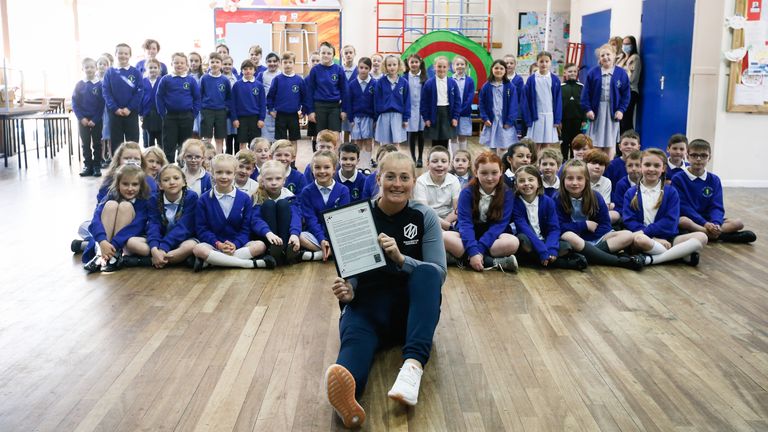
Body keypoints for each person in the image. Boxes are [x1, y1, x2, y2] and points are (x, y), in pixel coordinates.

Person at [324, 152, 446, 429]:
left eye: (404, 178)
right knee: (353, 350)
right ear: (378, 179)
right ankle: (347, 401)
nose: (397, 184)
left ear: (413, 182)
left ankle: (412, 367)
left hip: (412, 312)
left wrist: (402, 259)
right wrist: (349, 289)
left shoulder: (424, 216)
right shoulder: (358, 215)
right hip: (368, 308)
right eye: (390, 176)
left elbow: (438, 273)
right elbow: (352, 270)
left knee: (426, 272)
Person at [623, 148, 707, 266]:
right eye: (647, 165)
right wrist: (653, 238)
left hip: (669, 239)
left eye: (657, 165)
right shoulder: (630, 193)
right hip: (645, 238)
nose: (651, 169)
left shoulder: (671, 192)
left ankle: (652, 259)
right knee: (639, 240)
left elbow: (670, 221)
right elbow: (629, 221)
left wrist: (656, 237)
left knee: (702, 237)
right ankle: (678, 254)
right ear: (641, 167)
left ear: (663, 168)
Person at [192, 154, 276, 271]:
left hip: (238, 245)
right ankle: (248, 264)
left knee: (260, 246)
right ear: (212, 173)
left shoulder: (245, 198)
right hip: (214, 245)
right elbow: (202, 229)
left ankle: (213, 262)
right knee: (198, 249)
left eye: (228, 173)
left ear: (235, 173)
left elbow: (245, 229)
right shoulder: (203, 200)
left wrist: (235, 244)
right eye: (219, 172)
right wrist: (218, 244)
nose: (224, 176)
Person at [557, 160, 644, 269]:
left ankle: (588, 255)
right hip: (574, 239)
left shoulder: (595, 197)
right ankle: (618, 261)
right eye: (570, 178)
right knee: (568, 236)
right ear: (563, 180)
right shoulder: (557, 199)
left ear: (586, 180)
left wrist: (588, 241)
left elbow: (605, 225)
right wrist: (585, 225)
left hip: (596, 237)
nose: (575, 183)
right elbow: (558, 227)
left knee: (628, 235)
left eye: (579, 178)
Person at [443, 151, 519, 271]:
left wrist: (479, 250)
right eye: (484, 173)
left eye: (494, 173)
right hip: (468, 233)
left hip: (493, 235)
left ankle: (461, 259)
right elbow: (465, 223)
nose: (489, 178)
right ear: (476, 172)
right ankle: (492, 262)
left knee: (513, 242)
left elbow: (500, 225)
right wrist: (474, 252)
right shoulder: (467, 192)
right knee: (443, 236)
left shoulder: (507, 193)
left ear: (501, 171)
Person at [671, 139, 757, 243]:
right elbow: (683, 207)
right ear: (687, 157)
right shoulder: (678, 178)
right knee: (682, 221)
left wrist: (715, 223)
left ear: (709, 158)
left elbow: (717, 206)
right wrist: (704, 223)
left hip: (709, 221)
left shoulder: (714, 179)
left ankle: (708, 234)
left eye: (703, 156)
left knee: (738, 223)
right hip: (692, 219)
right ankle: (722, 236)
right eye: (694, 155)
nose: (698, 159)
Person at [512, 165, 588, 270]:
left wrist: (550, 248)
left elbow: (554, 228)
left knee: (566, 246)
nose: (526, 183)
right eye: (521, 181)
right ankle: (566, 263)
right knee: (522, 240)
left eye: (530, 180)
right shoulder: (515, 203)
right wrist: (542, 250)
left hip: (544, 240)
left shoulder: (548, 201)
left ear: (538, 183)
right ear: (516, 185)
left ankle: (541, 259)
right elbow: (524, 229)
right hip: (530, 241)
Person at [124, 164, 199, 268]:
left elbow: (184, 227)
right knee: (131, 242)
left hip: (183, 239)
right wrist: (154, 248)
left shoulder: (191, 197)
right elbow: (153, 225)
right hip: (160, 239)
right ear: (160, 185)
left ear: (183, 182)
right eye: (166, 180)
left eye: (176, 178)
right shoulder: (154, 199)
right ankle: (170, 259)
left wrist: (163, 247)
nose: (172, 182)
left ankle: (147, 261)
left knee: (191, 246)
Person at [82, 164, 152, 273]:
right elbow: (96, 219)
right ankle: (100, 254)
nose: (130, 188)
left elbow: (136, 227)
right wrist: (102, 241)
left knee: (125, 206)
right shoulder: (111, 195)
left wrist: (113, 245)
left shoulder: (144, 201)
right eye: (125, 184)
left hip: (127, 240)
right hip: (106, 242)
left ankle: (114, 254)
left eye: (135, 184)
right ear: (118, 184)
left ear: (141, 186)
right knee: (110, 205)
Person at [299, 150, 351, 261]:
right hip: (316, 234)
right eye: (317, 167)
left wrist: (329, 239)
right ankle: (330, 252)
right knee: (300, 236)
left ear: (334, 169)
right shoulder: (307, 192)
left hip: (337, 234)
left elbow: (341, 220)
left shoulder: (343, 191)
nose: (322, 171)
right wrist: (322, 239)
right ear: (312, 170)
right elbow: (310, 219)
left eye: (326, 167)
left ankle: (320, 253)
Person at [581, 44, 630, 160]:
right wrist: (588, 109)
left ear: (614, 56)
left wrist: (621, 110)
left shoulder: (621, 73)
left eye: (608, 54)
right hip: (596, 112)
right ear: (599, 59)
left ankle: (608, 166)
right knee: (595, 142)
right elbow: (585, 93)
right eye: (602, 55)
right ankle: (595, 164)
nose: (605, 57)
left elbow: (626, 95)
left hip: (612, 112)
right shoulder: (593, 73)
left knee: (610, 142)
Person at [251, 160, 302, 265]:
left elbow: (296, 217)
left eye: (278, 178)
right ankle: (272, 250)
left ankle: (286, 250)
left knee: (283, 204)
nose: (274, 182)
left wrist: (294, 234)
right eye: (269, 179)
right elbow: (255, 220)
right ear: (262, 180)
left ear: (284, 180)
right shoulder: (257, 196)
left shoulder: (289, 196)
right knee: (269, 204)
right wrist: (268, 233)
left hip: (286, 237)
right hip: (267, 237)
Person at [156, 52, 200, 163]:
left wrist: (193, 114)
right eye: (176, 62)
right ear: (171, 63)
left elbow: (197, 98)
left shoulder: (191, 80)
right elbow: (159, 97)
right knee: (168, 144)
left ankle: (183, 167)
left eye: (182, 63)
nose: (179, 65)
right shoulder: (166, 79)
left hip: (187, 117)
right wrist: (163, 114)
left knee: (184, 145)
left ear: (186, 65)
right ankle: (168, 166)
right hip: (170, 117)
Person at [103, 43, 143, 153]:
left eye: (126, 53)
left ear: (130, 55)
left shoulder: (135, 72)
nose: (123, 56)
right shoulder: (109, 72)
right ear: (115, 54)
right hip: (114, 113)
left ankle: (134, 166)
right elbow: (106, 92)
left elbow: (139, 92)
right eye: (120, 53)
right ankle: (117, 168)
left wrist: (129, 108)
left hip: (131, 112)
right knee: (116, 144)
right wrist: (115, 108)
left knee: (133, 142)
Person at [413, 146, 460, 230]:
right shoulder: (420, 182)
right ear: (427, 163)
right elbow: (425, 211)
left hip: (449, 220)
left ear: (449, 164)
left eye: (444, 161)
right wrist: (447, 227)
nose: (439, 164)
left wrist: (445, 224)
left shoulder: (454, 180)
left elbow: (457, 210)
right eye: (434, 161)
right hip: (428, 220)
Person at [522, 51, 562, 151]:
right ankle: (535, 164)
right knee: (535, 144)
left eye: (546, 61)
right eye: (541, 61)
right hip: (536, 116)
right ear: (537, 62)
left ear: (550, 62)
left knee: (546, 144)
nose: (544, 64)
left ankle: (543, 164)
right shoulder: (531, 79)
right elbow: (526, 100)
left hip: (549, 116)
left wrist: (557, 119)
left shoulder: (555, 79)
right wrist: (528, 118)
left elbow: (558, 100)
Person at [73, 57, 105, 177]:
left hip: (96, 120)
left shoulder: (100, 85)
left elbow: (102, 104)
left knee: (97, 143)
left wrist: (95, 119)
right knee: (85, 143)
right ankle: (88, 165)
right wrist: (81, 118)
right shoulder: (79, 85)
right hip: (83, 120)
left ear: (96, 68)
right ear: (83, 69)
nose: (89, 69)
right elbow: (75, 103)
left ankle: (97, 166)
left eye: (92, 67)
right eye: (87, 67)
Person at [479, 60, 518, 157]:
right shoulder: (486, 86)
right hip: (491, 121)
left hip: (504, 122)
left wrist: (509, 121)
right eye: (496, 68)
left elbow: (514, 106)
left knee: (504, 146)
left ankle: (503, 165)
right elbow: (482, 104)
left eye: (501, 68)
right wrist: (485, 118)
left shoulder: (510, 87)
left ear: (505, 71)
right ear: (492, 69)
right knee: (491, 146)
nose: (499, 70)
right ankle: (493, 166)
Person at [267, 52, 306, 147]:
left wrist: (303, 111)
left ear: (294, 64)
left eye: (290, 62)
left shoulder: (299, 80)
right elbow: (270, 96)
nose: (287, 65)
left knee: (294, 139)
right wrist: (271, 109)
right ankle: (280, 161)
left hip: (294, 115)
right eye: (285, 62)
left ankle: (293, 161)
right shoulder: (277, 79)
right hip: (280, 115)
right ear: (281, 64)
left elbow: (304, 97)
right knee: (281, 141)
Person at [307, 42, 347, 133]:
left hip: (335, 107)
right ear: (319, 54)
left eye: (329, 53)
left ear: (333, 55)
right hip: (319, 106)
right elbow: (310, 92)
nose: (326, 55)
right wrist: (310, 111)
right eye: (323, 53)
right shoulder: (314, 70)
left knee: (334, 135)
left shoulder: (339, 69)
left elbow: (345, 91)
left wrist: (344, 110)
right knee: (321, 136)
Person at [420, 56, 459, 150]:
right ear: (434, 67)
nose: (441, 69)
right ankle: (435, 159)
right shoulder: (429, 83)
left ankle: (444, 159)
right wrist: (426, 118)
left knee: (445, 138)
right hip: (434, 113)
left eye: (444, 67)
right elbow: (423, 103)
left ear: (448, 68)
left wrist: (455, 117)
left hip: (447, 113)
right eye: (439, 66)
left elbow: (457, 101)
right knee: (435, 139)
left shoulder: (452, 83)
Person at [344, 57, 376, 169]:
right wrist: (351, 119)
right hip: (356, 117)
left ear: (370, 69)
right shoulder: (352, 84)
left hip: (369, 117)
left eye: (366, 68)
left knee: (368, 140)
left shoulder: (374, 83)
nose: (363, 70)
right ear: (358, 68)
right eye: (361, 67)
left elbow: (376, 103)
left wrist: (375, 119)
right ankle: (357, 166)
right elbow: (348, 102)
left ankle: (366, 166)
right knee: (357, 141)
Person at [373, 55, 410, 148]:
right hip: (384, 115)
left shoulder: (404, 82)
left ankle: (395, 162)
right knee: (384, 144)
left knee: (396, 143)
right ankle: (383, 161)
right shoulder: (381, 82)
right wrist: (376, 117)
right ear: (385, 66)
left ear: (399, 65)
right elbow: (376, 100)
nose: (392, 67)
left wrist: (405, 119)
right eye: (389, 65)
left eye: (394, 64)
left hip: (398, 117)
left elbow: (407, 101)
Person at [200, 52, 232, 154]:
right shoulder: (204, 78)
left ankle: (218, 156)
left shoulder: (225, 80)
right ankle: (206, 157)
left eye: (217, 62)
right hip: (207, 111)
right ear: (209, 63)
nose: (214, 64)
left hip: (221, 112)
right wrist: (202, 109)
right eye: (212, 62)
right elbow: (199, 95)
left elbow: (228, 97)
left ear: (221, 64)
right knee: (207, 137)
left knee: (220, 137)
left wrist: (226, 109)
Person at [231, 59, 266, 151]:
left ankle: (253, 163)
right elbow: (233, 103)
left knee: (254, 144)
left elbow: (262, 103)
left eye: (250, 69)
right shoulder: (237, 85)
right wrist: (234, 118)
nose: (248, 71)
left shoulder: (259, 85)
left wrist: (261, 118)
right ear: (242, 71)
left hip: (255, 118)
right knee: (242, 143)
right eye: (245, 69)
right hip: (241, 119)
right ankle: (243, 163)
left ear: (254, 70)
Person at [584, 149, 620, 223]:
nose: (597, 167)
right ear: (586, 164)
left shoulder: (606, 182)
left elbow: (604, 206)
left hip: (598, 213)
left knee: (615, 215)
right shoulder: (581, 179)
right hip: (581, 212)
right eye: (593, 163)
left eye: (601, 164)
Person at [450, 55, 475, 156]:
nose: (460, 66)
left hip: (464, 113)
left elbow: (470, 97)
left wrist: (461, 110)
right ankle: (455, 157)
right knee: (453, 136)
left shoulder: (470, 81)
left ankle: (462, 156)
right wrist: (454, 112)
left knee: (462, 135)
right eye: (457, 64)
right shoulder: (450, 80)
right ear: (453, 66)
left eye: (462, 64)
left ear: (466, 66)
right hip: (452, 114)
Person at [560, 63, 586, 160]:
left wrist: (584, 119)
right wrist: (559, 120)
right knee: (565, 141)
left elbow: (584, 103)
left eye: (575, 71)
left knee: (575, 141)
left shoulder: (581, 87)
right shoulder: (561, 87)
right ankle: (564, 160)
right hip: (565, 119)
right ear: (565, 73)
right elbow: (558, 105)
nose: (572, 73)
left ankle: (574, 159)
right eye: (570, 71)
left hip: (578, 119)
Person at [405, 54, 427, 166]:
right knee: (411, 134)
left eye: (416, 62)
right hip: (410, 109)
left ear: (420, 63)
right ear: (408, 64)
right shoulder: (404, 77)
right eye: (412, 62)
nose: (414, 64)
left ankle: (420, 158)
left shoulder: (425, 77)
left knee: (421, 133)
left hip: (421, 109)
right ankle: (412, 157)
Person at [617, 36, 641, 134]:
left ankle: (630, 144)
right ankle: (620, 146)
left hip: (630, 92)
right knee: (619, 121)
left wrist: (618, 83)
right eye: (624, 44)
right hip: (619, 93)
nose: (625, 46)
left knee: (626, 120)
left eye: (628, 44)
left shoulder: (635, 58)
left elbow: (632, 78)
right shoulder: (621, 58)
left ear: (633, 45)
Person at [255, 52, 280, 142]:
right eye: (269, 61)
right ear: (266, 62)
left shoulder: (281, 74)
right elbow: (256, 90)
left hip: (278, 109)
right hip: (265, 110)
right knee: (265, 138)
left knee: (277, 137)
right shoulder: (262, 75)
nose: (272, 63)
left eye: (274, 61)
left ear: (279, 62)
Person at [140, 59, 163, 149]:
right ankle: (149, 156)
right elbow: (140, 98)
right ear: (146, 69)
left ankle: (161, 156)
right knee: (149, 138)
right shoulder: (143, 81)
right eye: (150, 67)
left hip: (159, 114)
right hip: (147, 113)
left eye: (155, 67)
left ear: (159, 69)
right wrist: (141, 113)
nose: (153, 69)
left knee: (161, 137)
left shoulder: (162, 81)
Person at [611, 150, 641, 216]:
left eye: (637, 165)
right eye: (630, 165)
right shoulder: (621, 184)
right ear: (625, 167)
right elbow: (619, 207)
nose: (633, 168)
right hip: (627, 216)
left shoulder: (649, 183)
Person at [96, 55, 113, 167]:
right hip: (98, 109)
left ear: (108, 66)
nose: (102, 66)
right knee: (101, 135)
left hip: (108, 109)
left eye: (105, 64)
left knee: (109, 134)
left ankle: (111, 157)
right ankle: (101, 157)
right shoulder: (95, 78)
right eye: (100, 64)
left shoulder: (110, 77)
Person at [504, 54, 526, 138]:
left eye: (511, 63)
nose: (509, 65)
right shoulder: (500, 78)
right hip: (503, 110)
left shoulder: (519, 79)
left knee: (515, 134)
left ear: (515, 65)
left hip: (515, 111)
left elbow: (521, 97)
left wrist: (518, 111)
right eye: (506, 63)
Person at [221, 55, 239, 154]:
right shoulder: (219, 78)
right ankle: (227, 158)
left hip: (236, 112)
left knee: (237, 138)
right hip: (225, 112)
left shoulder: (237, 78)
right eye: (225, 64)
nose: (227, 66)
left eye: (229, 64)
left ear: (232, 65)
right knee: (227, 138)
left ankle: (237, 159)